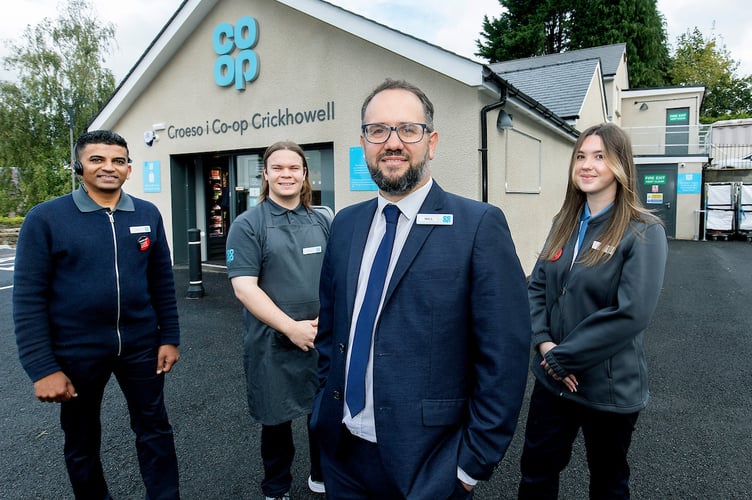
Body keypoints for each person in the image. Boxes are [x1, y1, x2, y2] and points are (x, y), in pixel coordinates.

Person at [310, 78, 531, 499]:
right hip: (342, 455)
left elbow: (503, 357)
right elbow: (330, 333)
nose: (392, 142)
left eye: (407, 130)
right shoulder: (345, 224)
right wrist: (324, 407)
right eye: (378, 131)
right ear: (363, 142)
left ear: (431, 142)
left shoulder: (478, 226)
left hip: (430, 466)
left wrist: (470, 464)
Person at [13, 130, 181, 499]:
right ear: (79, 166)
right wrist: (42, 369)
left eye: (117, 161)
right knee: (82, 438)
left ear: (129, 168)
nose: (108, 167)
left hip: (140, 346)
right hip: (76, 352)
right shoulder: (46, 219)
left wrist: (169, 336)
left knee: (155, 429)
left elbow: (161, 282)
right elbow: (27, 300)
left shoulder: (147, 213)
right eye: (97, 159)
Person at [517, 123, 668, 499]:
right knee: (536, 473)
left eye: (600, 156)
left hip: (608, 388)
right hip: (554, 381)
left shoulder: (642, 231)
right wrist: (544, 344)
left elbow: (630, 313)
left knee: (608, 482)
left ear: (620, 165)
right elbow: (537, 287)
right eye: (581, 156)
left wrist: (562, 358)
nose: (588, 165)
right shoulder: (563, 223)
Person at [226, 141, 330, 500]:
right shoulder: (247, 224)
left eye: (293, 168)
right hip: (272, 342)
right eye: (278, 168)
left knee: (323, 414)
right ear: (266, 175)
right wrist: (290, 327)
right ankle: (276, 487)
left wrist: (322, 321)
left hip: (320, 336)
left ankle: (321, 475)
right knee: (276, 420)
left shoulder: (323, 219)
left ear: (304, 175)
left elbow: (336, 276)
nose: (286, 174)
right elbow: (244, 288)